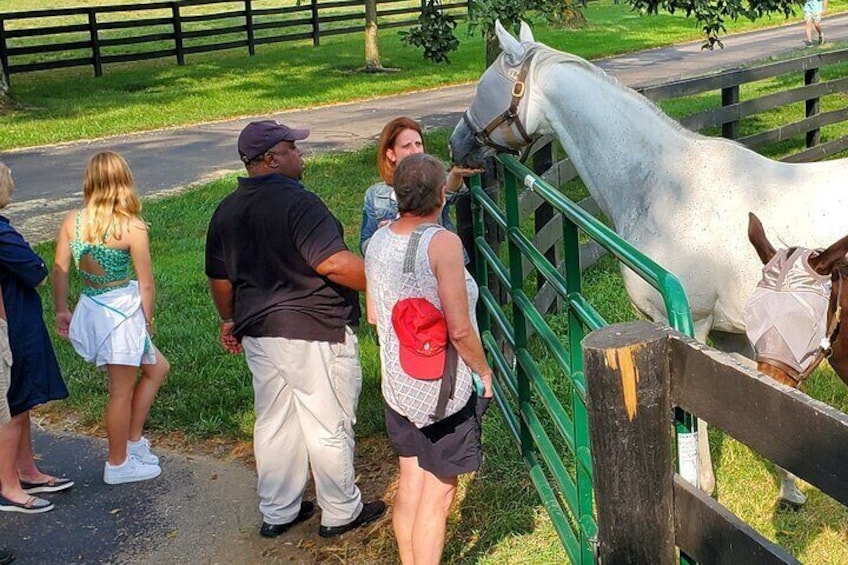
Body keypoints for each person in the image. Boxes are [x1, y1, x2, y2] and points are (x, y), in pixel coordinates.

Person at [205, 120, 386, 539]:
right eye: (292, 148)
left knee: (275, 420)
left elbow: (220, 280)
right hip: (314, 328)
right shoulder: (299, 203)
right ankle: (341, 511)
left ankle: (279, 509)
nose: (300, 155)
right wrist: (387, 279)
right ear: (271, 159)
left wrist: (229, 319)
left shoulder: (227, 209)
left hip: (260, 331)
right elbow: (333, 263)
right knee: (328, 418)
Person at [364, 153, 494, 564]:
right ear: (441, 195)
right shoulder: (443, 243)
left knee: (411, 482)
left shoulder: (379, 240)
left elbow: (372, 314)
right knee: (438, 496)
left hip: (397, 386)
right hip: (440, 391)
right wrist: (484, 370)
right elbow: (458, 328)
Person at [53, 151, 169, 486]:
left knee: (157, 367)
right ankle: (117, 463)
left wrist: (62, 309)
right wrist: (146, 321)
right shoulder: (131, 226)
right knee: (120, 391)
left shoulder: (72, 221)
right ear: (123, 181)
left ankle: (132, 441)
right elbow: (146, 282)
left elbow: (59, 272)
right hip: (121, 313)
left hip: (93, 305)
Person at [0, 162, 72, 514]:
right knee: (13, 406)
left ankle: (26, 470)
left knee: (22, 401)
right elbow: (36, 271)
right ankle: (9, 487)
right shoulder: (1, 233)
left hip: (17, 320)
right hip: (13, 325)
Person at [359, 116, 481, 255]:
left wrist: (457, 174)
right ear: (391, 154)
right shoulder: (375, 195)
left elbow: (449, 189)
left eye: (418, 144)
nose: (415, 151)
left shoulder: (432, 180)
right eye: (406, 146)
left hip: (437, 261)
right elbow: (365, 244)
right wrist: (383, 236)